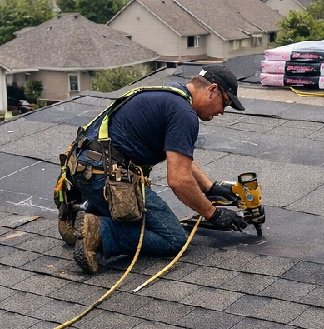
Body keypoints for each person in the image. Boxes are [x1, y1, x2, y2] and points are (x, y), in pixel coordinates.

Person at [63, 65, 252, 274]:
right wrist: (213, 214)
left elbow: (179, 156)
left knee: (138, 222)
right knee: (173, 238)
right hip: (105, 176)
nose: (222, 111)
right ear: (212, 89)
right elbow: (178, 180)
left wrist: (209, 187)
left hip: (82, 169)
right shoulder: (183, 114)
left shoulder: (171, 94)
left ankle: (82, 214)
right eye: (224, 103)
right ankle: (99, 230)